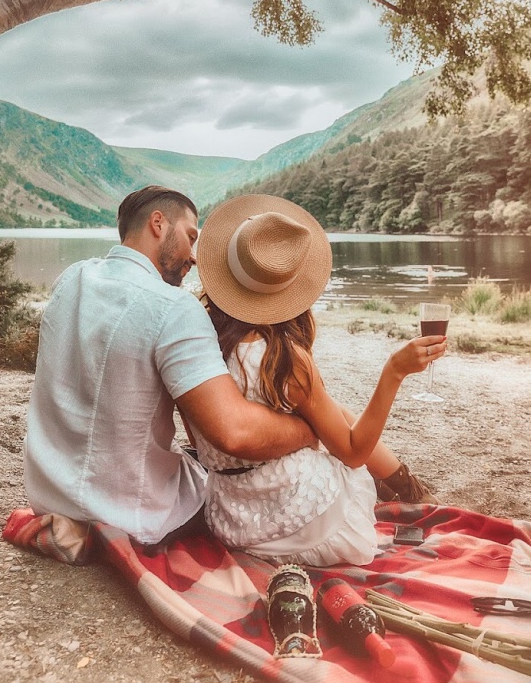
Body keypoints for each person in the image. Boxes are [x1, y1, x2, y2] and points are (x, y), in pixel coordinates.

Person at [23, 185, 320, 546]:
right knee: (269, 481)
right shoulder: (173, 307)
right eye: (191, 237)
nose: (193, 256)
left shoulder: (71, 278)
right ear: (158, 223)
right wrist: (308, 431)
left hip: (50, 496)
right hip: (130, 513)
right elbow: (234, 432)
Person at [190, 194, 446, 567]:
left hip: (229, 518)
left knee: (328, 410)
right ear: (287, 286)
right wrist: (394, 371)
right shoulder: (285, 359)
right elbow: (353, 452)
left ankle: (408, 486)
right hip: (302, 522)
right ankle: (409, 487)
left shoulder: (193, 343)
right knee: (341, 440)